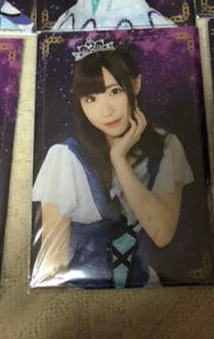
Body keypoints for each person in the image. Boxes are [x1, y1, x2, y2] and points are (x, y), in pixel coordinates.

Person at [31, 40, 194, 288]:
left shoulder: (167, 147)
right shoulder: (65, 158)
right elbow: (53, 263)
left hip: (146, 291)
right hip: (80, 295)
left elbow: (162, 234)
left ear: (135, 85)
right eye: (91, 99)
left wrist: (119, 161)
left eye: (115, 91)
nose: (105, 110)